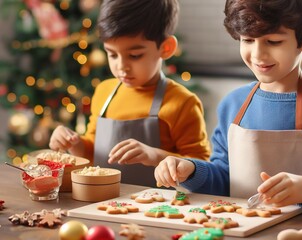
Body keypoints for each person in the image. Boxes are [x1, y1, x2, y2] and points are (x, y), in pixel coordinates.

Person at [154, 0, 302, 211]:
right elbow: (225, 178)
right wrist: (191, 170)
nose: (257, 54)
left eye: (273, 41)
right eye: (248, 40)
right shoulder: (233, 104)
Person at [49, 0, 210, 187]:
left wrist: (154, 155)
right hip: (101, 203)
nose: (121, 67)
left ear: (166, 48)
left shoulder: (182, 103)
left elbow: (201, 167)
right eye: (112, 54)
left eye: (134, 56)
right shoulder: (104, 92)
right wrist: (73, 143)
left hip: (158, 210)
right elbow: (93, 153)